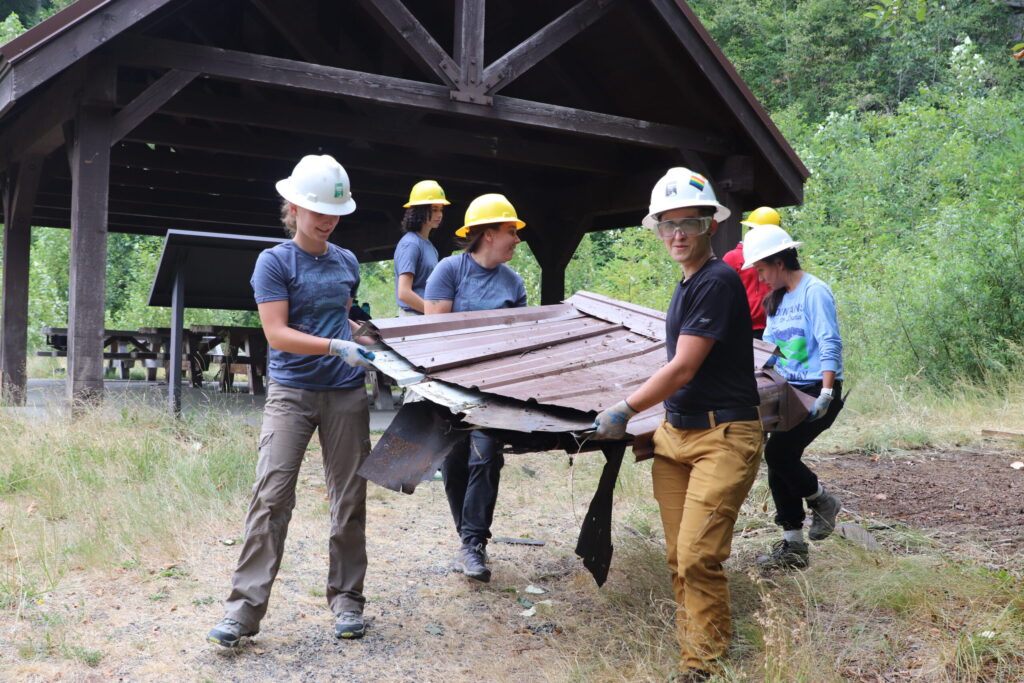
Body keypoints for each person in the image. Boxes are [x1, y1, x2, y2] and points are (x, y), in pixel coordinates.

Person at [590, 167, 763, 681]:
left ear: (711, 223)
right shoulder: (687, 283)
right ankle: (700, 650)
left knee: (696, 556)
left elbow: (683, 366)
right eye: (667, 225)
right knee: (678, 556)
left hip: (724, 437)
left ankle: (702, 663)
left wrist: (624, 409)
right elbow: (684, 374)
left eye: (688, 222)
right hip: (677, 434)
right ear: (657, 229)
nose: (678, 233)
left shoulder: (717, 281)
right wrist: (655, 419)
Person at [207, 155, 377, 648]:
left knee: (349, 498)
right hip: (291, 393)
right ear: (293, 208)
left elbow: (339, 320)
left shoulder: (346, 262)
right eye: (316, 210)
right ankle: (243, 610)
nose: (326, 220)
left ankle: (348, 599)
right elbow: (277, 334)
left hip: (345, 393)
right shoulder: (274, 262)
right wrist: (334, 346)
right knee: (272, 494)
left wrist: (362, 340)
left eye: (334, 212)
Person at [423, 193, 527, 582]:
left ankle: (473, 545)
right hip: (448, 387)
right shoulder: (449, 271)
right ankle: (467, 539)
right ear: (487, 234)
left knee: (485, 457)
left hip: (493, 391)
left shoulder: (513, 284)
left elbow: (518, 344)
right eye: (510, 231)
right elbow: (434, 336)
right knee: (453, 464)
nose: (517, 239)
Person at [741, 225, 844, 571]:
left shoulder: (815, 292)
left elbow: (830, 342)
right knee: (777, 460)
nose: (760, 278)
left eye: (761, 269)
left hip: (816, 390)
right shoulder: (777, 299)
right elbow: (770, 350)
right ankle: (793, 547)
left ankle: (823, 502)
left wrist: (827, 392)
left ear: (778, 261)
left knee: (779, 454)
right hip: (786, 388)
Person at [394, 179, 448, 316]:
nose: (439, 214)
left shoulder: (430, 246)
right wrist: (433, 311)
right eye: (434, 210)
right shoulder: (411, 244)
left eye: (441, 209)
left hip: (425, 315)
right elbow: (404, 293)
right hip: (413, 317)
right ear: (419, 211)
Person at [722, 206, 776, 339]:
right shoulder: (733, 257)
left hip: (773, 326)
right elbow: (720, 296)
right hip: (742, 328)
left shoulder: (776, 257)